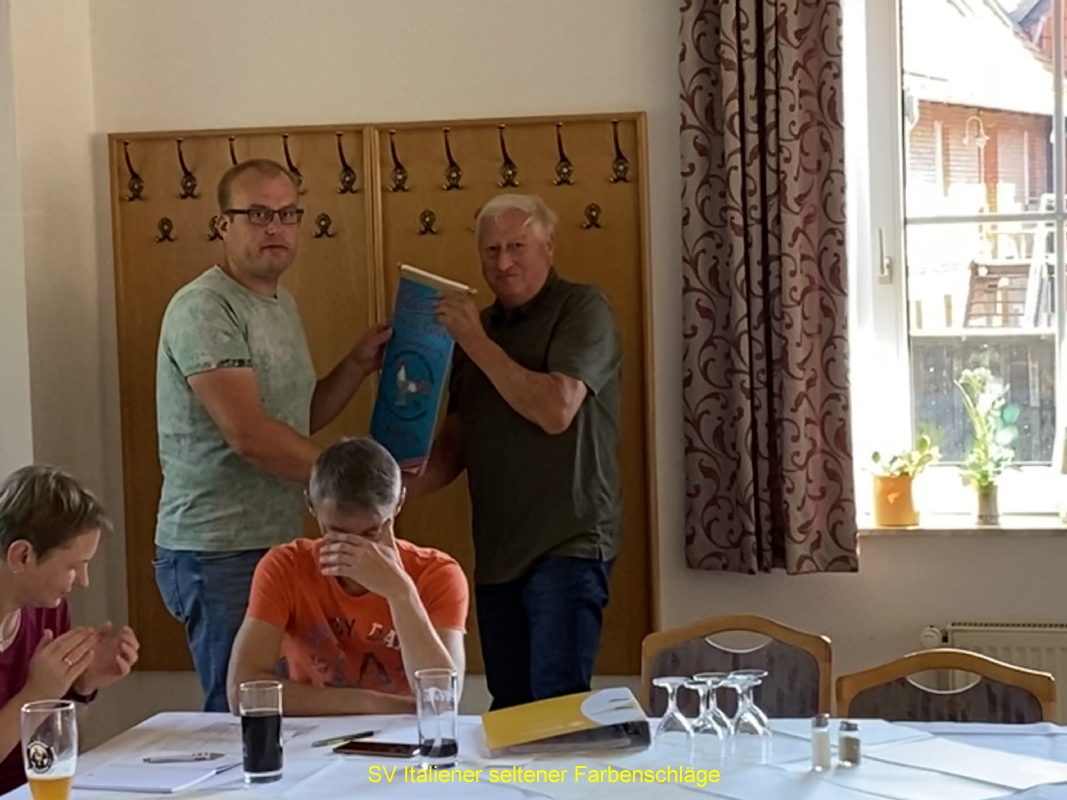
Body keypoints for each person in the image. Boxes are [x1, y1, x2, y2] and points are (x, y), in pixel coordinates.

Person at [153, 158, 391, 712]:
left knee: (288, 713)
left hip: (276, 543)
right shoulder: (205, 307)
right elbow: (251, 436)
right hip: (219, 550)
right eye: (258, 214)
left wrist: (356, 366)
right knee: (244, 714)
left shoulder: (281, 304)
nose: (275, 227)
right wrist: (356, 489)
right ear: (224, 224)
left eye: (288, 214)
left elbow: (294, 421)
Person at [406, 193, 623, 710]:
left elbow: (556, 410)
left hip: (569, 542)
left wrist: (475, 341)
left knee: (556, 708)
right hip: (498, 552)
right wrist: (387, 492)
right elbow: (457, 441)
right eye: (492, 250)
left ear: (548, 248)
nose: (503, 262)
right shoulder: (476, 332)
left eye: (517, 247)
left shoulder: (582, 308)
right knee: (509, 709)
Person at [227, 437, 468, 716]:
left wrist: (401, 593)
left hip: (401, 736)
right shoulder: (286, 565)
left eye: (371, 532)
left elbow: (442, 699)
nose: (357, 549)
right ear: (311, 505)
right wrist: (381, 704)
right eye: (337, 533)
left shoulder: (437, 573)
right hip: (321, 730)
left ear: (399, 502)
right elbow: (242, 693)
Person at [0, 466, 139, 795]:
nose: (84, 582)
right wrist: (36, 694)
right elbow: (36, 696)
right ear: (22, 556)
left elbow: (50, 753)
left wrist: (80, 683)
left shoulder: (49, 611)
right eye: (74, 567)